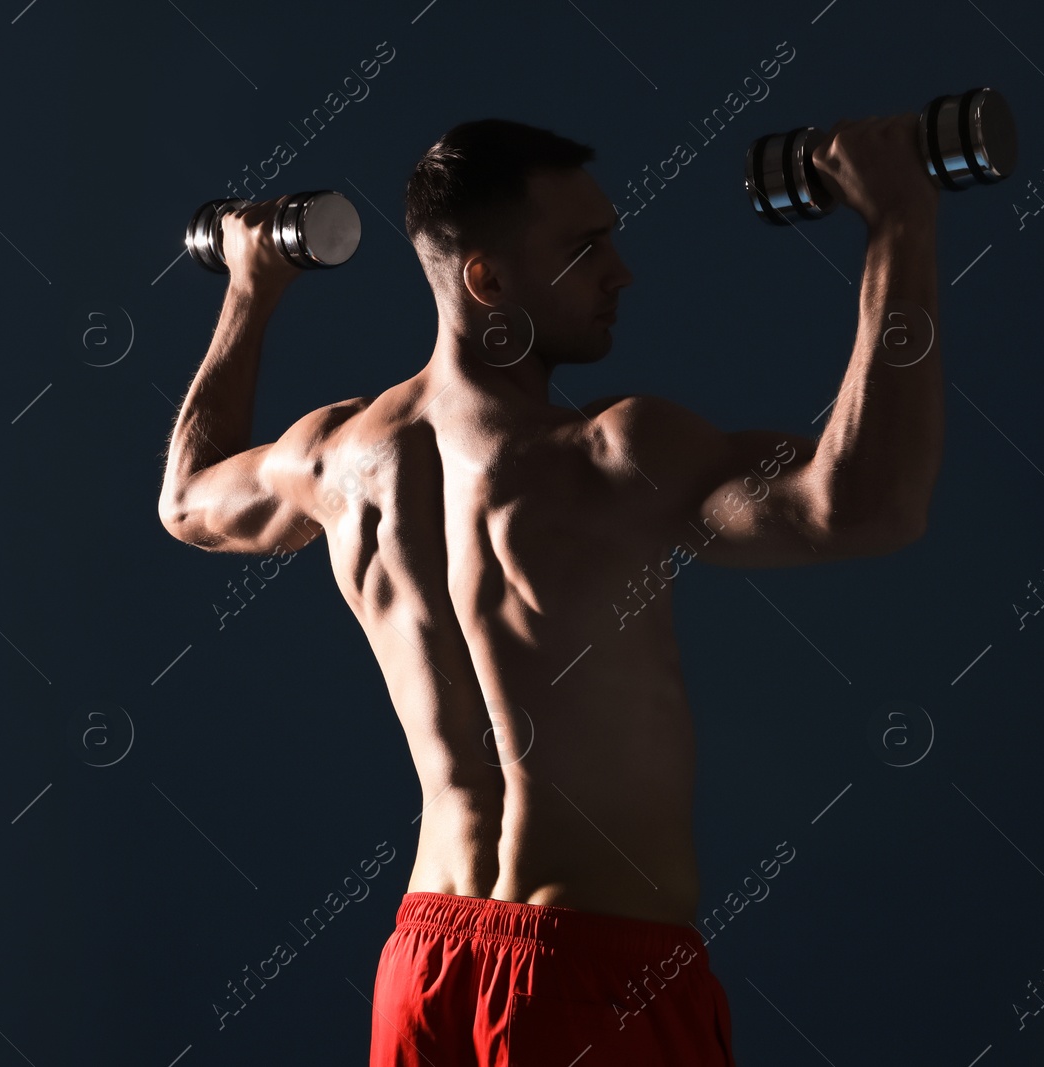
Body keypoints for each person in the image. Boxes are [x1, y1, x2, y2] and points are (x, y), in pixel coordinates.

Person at [157, 116, 941, 1064]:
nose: (622, 271)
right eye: (585, 248)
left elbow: (187, 503)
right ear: (486, 279)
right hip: (591, 979)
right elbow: (864, 505)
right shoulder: (615, 456)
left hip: (422, 969)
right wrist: (898, 219)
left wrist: (250, 287)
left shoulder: (336, 458)